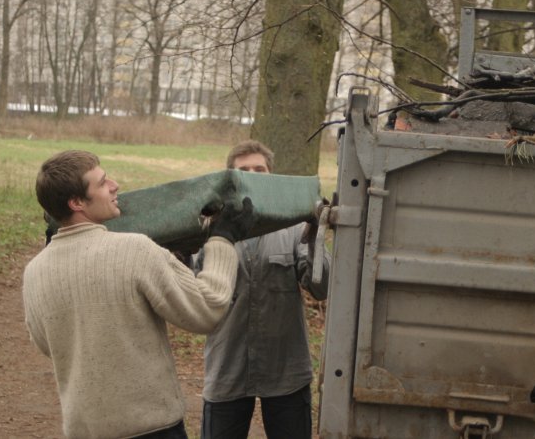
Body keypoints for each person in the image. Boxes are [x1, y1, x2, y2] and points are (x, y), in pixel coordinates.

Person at [22, 150, 255, 439]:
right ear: (77, 202)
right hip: (152, 430)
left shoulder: (34, 271)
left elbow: (48, 343)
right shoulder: (134, 250)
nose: (115, 185)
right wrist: (223, 239)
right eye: (103, 182)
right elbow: (206, 309)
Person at [201, 140, 330, 439]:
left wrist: (316, 235)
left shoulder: (295, 227)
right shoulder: (209, 230)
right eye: (244, 170)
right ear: (230, 178)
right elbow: (191, 291)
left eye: (260, 169)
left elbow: (321, 289)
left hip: (286, 369)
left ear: (271, 175)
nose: (253, 175)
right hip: (226, 368)